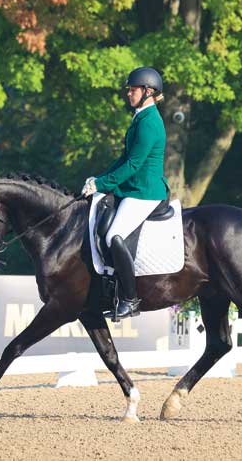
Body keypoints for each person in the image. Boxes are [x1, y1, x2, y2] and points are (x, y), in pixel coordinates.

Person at [81, 67, 170, 319]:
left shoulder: (150, 122)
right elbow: (124, 158)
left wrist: (102, 185)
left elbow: (134, 165)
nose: (128, 93)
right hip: (133, 187)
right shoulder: (140, 117)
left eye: (133, 89)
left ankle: (130, 300)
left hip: (145, 191)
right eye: (129, 89)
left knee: (114, 235)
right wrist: (100, 179)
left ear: (148, 91)